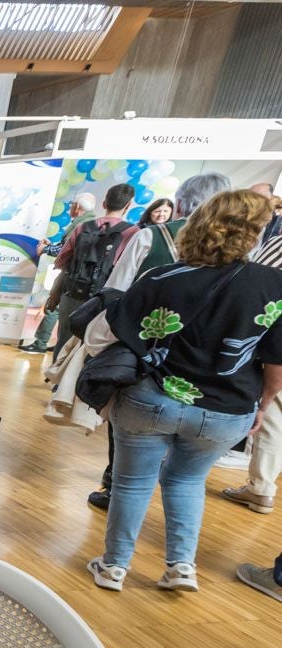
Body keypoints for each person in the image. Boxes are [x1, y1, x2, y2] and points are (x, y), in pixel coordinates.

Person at [87, 190, 282, 593]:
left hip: (150, 398)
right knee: (187, 481)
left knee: (132, 483)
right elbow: (276, 362)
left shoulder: (163, 277)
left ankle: (113, 567)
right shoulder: (273, 285)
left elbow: (117, 330)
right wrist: (263, 405)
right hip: (228, 409)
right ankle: (180, 567)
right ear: (254, 234)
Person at [83, 172, 234, 510]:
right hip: (208, 362)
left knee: (131, 424)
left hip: (145, 354)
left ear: (180, 203)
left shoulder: (150, 238)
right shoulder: (240, 252)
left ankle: (115, 485)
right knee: (187, 466)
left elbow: (116, 293)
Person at [24, 182, 135, 357]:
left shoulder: (83, 227)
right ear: (128, 206)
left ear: (104, 204)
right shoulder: (132, 232)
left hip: (73, 291)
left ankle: (57, 382)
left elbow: (62, 260)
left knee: (64, 340)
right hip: (106, 297)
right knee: (93, 347)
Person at [221, 225, 282, 516]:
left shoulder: (278, 244)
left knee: (272, 415)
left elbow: (256, 285)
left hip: (274, 345)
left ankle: (261, 488)